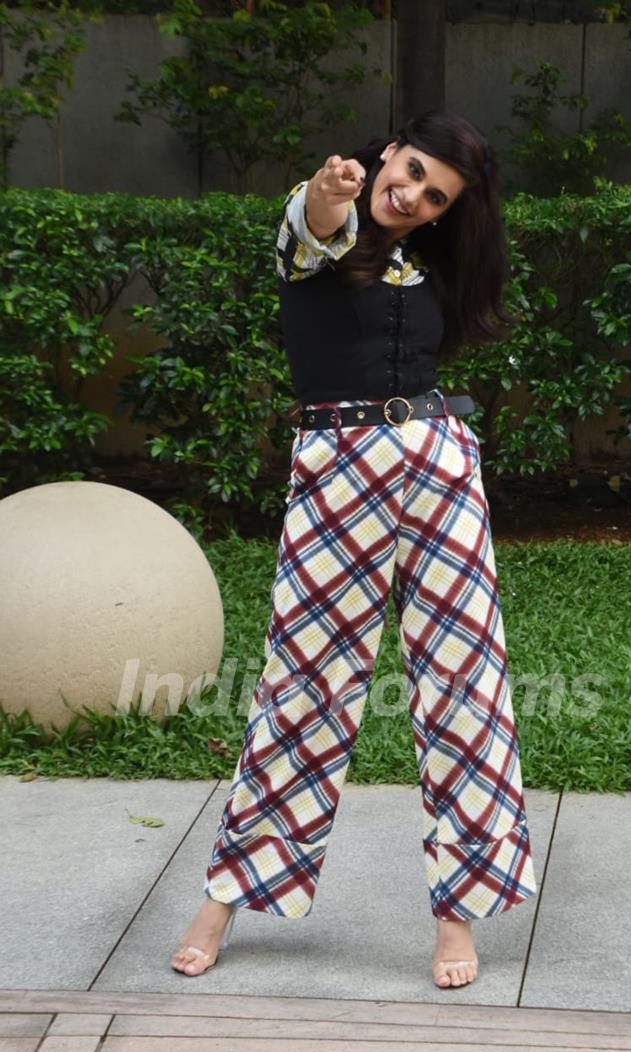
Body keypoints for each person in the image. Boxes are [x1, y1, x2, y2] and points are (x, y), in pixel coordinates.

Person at [171, 110, 538, 990]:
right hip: (338, 471)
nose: (408, 193)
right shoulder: (318, 230)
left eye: (432, 194)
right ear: (388, 154)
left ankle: (459, 917)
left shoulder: (434, 260)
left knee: (465, 686)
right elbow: (317, 221)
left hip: (442, 468)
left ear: (447, 212)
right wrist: (330, 193)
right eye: (407, 170)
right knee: (302, 683)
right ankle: (226, 894)